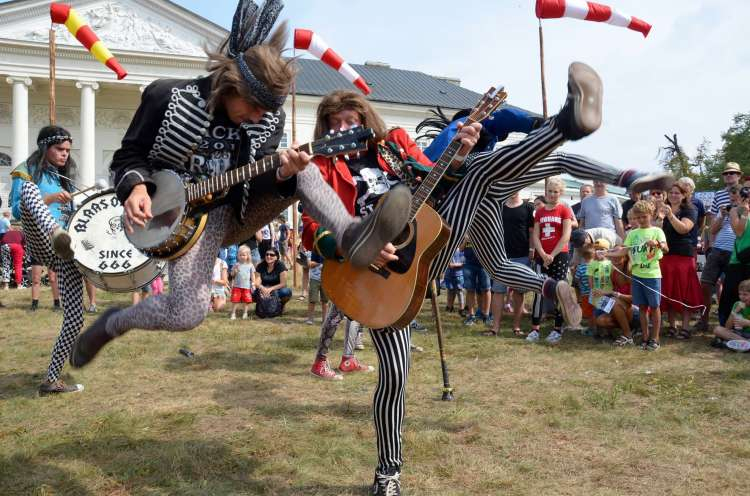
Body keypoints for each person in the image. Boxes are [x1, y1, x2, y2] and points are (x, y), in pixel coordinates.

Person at [71, 1, 412, 369]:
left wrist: (282, 173)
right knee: (186, 313)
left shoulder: (268, 121)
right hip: (180, 222)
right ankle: (114, 322)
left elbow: (259, 174)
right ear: (231, 83)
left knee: (301, 168)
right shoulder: (166, 97)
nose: (258, 117)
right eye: (253, 107)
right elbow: (128, 156)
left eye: (266, 112)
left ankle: (352, 234)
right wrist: (136, 188)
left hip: (235, 210)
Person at [9, 125, 85, 395]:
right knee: (30, 192)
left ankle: (51, 380)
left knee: (75, 318)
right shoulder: (26, 170)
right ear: (45, 147)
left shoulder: (63, 177)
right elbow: (18, 207)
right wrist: (50, 198)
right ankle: (58, 235)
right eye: (59, 149)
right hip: (42, 236)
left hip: (66, 250)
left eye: (67, 150)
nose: (65, 155)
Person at [607, 200, 667, 351]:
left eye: (644, 217)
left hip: (652, 275)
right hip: (637, 275)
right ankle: (645, 338)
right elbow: (623, 251)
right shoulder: (633, 233)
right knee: (642, 307)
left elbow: (666, 248)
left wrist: (657, 244)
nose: (640, 220)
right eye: (637, 217)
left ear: (651, 215)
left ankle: (655, 338)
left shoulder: (657, 231)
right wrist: (606, 253)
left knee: (654, 307)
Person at [528, 176, 574, 344]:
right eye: (550, 191)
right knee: (539, 291)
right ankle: (534, 329)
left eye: (556, 192)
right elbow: (536, 234)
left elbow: (566, 235)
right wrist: (541, 253)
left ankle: (557, 329)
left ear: (560, 193)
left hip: (559, 255)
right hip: (542, 256)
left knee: (559, 292)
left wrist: (552, 255)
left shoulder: (564, 210)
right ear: (545, 192)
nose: (553, 194)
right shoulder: (539, 212)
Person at [697, 163, 743, 331]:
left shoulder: (746, 205)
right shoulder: (719, 195)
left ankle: (728, 323)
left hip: (736, 251)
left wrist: (737, 211)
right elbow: (711, 225)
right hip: (718, 248)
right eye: (727, 173)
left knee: (731, 289)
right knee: (706, 283)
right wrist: (708, 240)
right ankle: (704, 319)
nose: (729, 175)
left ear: (739, 175)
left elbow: (741, 231)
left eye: (733, 173)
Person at [487, 191, 534, 337]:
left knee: (519, 293)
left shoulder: (528, 207)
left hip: (521, 255)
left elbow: (532, 232)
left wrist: (532, 249)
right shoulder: (499, 206)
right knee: (498, 292)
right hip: (500, 256)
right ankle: (495, 328)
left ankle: (516, 327)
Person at [658, 182, 701, 338]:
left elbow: (684, 228)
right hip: (666, 255)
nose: (674, 195)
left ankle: (685, 327)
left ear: (684, 195)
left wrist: (670, 215)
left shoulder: (690, 210)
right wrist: (660, 217)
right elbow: (656, 230)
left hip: (683, 255)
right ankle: (672, 326)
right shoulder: (663, 209)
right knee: (668, 290)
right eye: (671, 192)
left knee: (684, 292)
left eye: (677, 193)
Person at [717, 187, 750, 326]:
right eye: (745, 195)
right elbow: (739, 232)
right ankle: (726, 325)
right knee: (731, 294)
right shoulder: (735, 211)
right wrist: (744, 214)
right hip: (738, 260)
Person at [462, 238, 491, 326]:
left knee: (486, 289)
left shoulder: (484, 231)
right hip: (469, 264)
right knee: (470, 289)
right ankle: (471, 316)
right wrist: (466, 239)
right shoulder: (466, 232)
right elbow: (460, 248)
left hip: (484, 264)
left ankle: (486, 316)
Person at [714, 279, 750, 345]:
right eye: (740, 294)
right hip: (739, 334)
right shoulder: (737, 304)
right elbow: (728, 327)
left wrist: (747, 323)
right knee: (718, 329)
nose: (741, 297)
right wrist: (734, 312)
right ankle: (746, 343)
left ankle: (740, 343)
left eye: (745, 294)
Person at [230, 244, 254, 320]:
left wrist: (253, 283)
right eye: (240, 255)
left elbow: (252, 275)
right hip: (237, 286)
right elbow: (232, 275)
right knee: (235, 300)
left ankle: (245, 313)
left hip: (246, 286)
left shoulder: (250, 265)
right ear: (237, 255)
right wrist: (234, 271)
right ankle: (233, 313)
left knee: (246, 300)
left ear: (248, 256)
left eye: (244, 255)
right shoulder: (236, 264)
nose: (242, 257)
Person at [575, 243, 595, 332]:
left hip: (585, 294)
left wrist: (580, 284)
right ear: (594, 255)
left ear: (583, 256)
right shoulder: (596, 266)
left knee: (588, 312)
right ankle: (595, 326)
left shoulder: (580, 267)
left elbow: (576, 279)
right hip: (595, 293)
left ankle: (590, 328)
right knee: (594, 310)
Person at [304, 251, 328, 324]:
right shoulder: (310, 252)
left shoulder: (327, 252)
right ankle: (310, 319)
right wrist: (321, 261)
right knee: (312, 300)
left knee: (325, 301)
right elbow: (309, 264)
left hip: (326, 279)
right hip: (314, 279)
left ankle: (325, 319)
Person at [1, 223, 24, 289]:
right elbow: (24, 244)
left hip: (5, 246)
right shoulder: (21, 233)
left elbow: (2, 241)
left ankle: (6, 286)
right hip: (17, 246)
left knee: (6, 265)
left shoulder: (6, 233)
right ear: (19, 228)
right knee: (18, 265)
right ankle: (19, 285)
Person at [444, 248, 465, 313]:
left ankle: (461, 309)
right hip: (449, 273)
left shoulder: (461, 249)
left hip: (458, 274)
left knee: (459, 291)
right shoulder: (447, 249)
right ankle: (449, 307)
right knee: (450, 291)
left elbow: (463, 263)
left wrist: (453, 265)